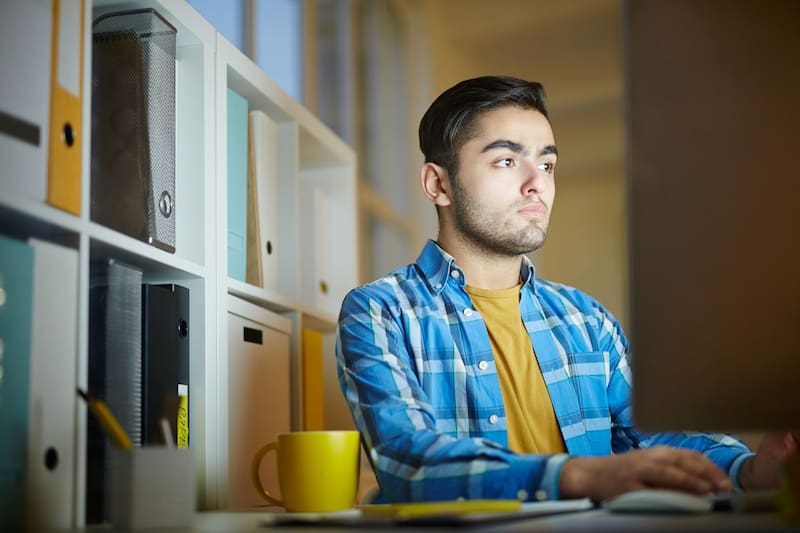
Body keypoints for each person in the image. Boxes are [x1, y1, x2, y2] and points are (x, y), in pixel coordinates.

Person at [334, 75, 799, 504]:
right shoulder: (379, 312)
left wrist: (753, 469)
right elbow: (409, 463)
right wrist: (578, 476)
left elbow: (656, 438)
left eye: (548, 163)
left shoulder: (586, 319)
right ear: (439, 183)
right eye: (507, 160)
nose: (538, 184)